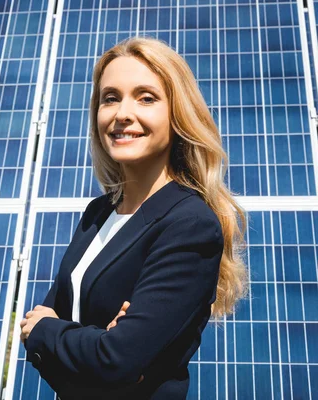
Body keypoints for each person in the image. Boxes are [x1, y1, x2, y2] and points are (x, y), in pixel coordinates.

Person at [19, 37, 248, 399]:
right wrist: (89, 348)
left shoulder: (189, 225)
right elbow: (39, 336)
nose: (122, 113)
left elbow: (114, 359)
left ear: (177, 115)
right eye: (110, 98)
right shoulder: (98, 213)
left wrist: (54, 333)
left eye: (146, 98)